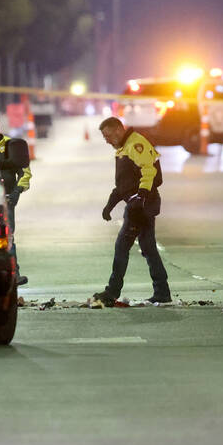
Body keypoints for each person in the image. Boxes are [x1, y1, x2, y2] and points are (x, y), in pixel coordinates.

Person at [90, 116, 171, 307]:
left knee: (122, 246)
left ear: (118, 130)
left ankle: (112, 292)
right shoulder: (124, 148)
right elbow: (125, 184)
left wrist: (141, 197)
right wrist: (110, 204)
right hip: (138, 204)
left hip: (142, 205)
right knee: (149, 248)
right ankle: (162, 292)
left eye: (108, 136)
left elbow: (149, 171)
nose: (107, 140)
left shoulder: (136, 145)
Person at [0, 111, 32, 287]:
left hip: (6, 199)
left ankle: (14, 274)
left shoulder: (11, 145)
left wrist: (17, 191)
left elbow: (25, 172)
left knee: (8, 236)